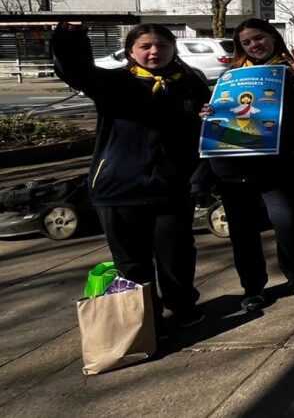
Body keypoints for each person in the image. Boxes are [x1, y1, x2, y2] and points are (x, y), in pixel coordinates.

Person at [53, 22, 208, 330]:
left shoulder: (190, 83)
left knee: (175, 256)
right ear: (130, 52)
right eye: (146, 46)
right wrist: (70, 38)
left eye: (162, 46)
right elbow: (73, 70)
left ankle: (183, 306)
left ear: (173, 49)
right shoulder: (113, 83)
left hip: (172, 188)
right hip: (118, 189)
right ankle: (144, 318)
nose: (155, 52)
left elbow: (207, 128)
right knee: (132, 262)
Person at [201, 19, 294, 311]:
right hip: (232, 166)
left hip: (277, 166)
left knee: (288, 225)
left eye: (259, 38)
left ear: (272, 36)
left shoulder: (288, 70)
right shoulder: (231, 77)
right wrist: (208, 111)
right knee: (243, 233)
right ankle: (253, 288)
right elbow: (217, 111)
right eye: (246, 42)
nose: (254, 45)